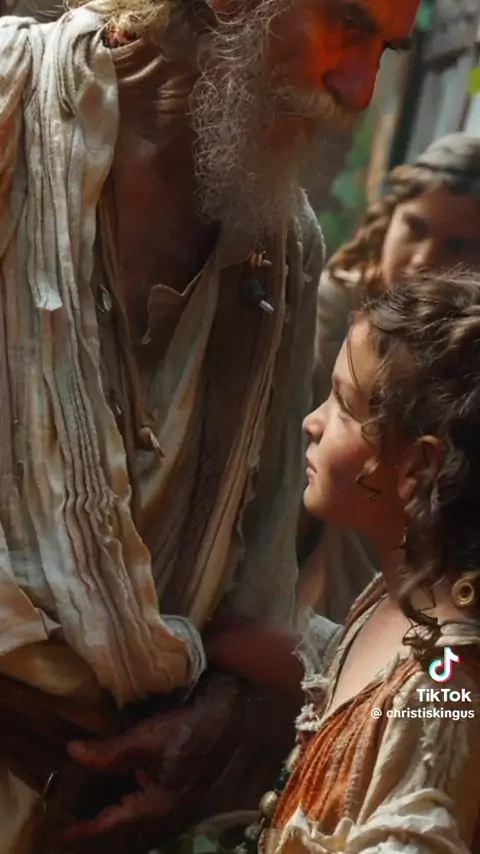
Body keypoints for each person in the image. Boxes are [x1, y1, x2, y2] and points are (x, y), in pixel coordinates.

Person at [0, 0, 420, 851]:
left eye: (387, 49)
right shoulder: (14, 107)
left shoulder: (281, 248)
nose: (361, 89)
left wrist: (220, 714)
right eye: (347, 25)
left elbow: (255, 568)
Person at [211, 271, 480, 853]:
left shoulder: (446, 680)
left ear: (419, 469)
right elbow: (358, 676)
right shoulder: (398, 599)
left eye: (342, 404)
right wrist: (214, 634)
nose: (313, 421)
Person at [298, 133, 480, 622]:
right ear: (389, 216)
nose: (423, 258)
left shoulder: (464, 359)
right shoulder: (331, 313)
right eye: (415, 227)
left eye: (459, 245)